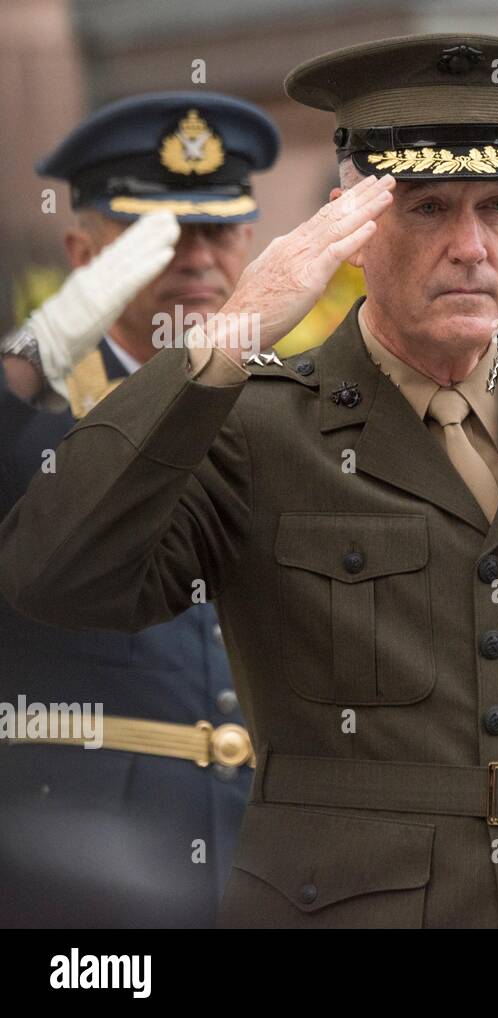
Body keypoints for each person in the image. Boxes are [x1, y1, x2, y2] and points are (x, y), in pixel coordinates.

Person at [0, 34, 498, 929]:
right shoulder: (252, 420)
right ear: (350, 228)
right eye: (428, 209)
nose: (471, 246)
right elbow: (55, 573)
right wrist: (228, 337)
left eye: (496, 208)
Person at [0, 92, 278, 927]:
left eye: (216, 232)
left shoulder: (293, 409)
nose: (195, 259)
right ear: (84, 251)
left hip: (275, 855)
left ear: (251, 245)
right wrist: (36, 350)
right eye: (157, 236)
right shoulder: (35, 413)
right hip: (77, 862)